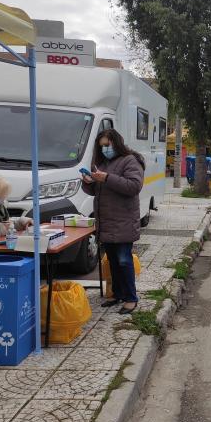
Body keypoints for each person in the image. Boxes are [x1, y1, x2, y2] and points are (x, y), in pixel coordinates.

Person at [82, 129, 144, 315]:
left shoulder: (130, 160)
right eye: (101, 146)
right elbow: (97, 191)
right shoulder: (103, 162)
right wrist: (89, 182)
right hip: (107, 222)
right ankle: (117, 294)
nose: (105, 149)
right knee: (113, 262)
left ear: (116, 143)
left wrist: (107, 178)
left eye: (107, 145)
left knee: (124, 261)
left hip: (123, 222)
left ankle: (131, 298)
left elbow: (134, 186)